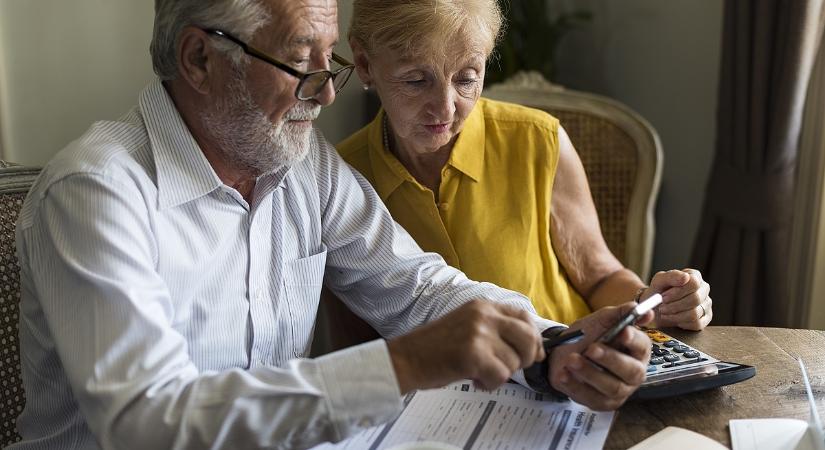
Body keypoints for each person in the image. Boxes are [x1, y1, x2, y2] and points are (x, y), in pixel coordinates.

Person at [11, 1, 653, 448]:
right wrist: (399, 365)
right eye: (300, 62)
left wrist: (553, 347)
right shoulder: (96, 193)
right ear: (200, 58)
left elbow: (417, 286)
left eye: (331, 60)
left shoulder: (300, 162)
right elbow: (145, 425)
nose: (326, 93)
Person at [338, 0, 713, 329]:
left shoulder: (538, 141)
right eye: (416, 80)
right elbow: (356, 346)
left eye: (467, 79)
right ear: (364, 64)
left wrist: (657, 304)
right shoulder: (340, 181)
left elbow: (601, 278)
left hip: (569, 377)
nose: (446, 108)